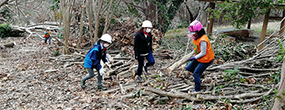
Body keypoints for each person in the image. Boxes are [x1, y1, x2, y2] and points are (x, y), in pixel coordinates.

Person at [186, 20, 215, 92]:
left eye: (194, 33)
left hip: (206, 59)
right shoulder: (196, 37)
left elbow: (203, 52)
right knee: (189, 68)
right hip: (199, 57)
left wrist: (194, 57)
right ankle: (200, 74)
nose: (193, 35)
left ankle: (197, 90)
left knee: (195, 74)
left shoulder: (203, 40)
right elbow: (197, 46)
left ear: (199, 31)